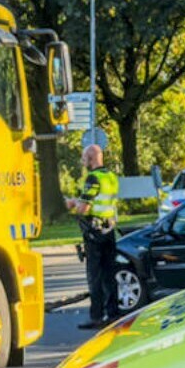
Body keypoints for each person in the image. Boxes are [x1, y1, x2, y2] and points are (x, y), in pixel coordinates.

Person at [68, 140, 123, 328]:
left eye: (84, 158)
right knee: (110, 273)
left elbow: (84, 209)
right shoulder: (111, 177)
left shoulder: (92, 178)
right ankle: (113, 313)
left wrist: (73, 204)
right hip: (109, 230)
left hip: (94, 232)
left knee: (95, 275)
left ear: (90, 159)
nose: (82, 161)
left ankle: (96, 316)